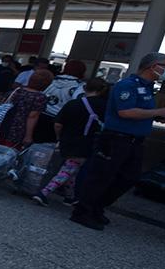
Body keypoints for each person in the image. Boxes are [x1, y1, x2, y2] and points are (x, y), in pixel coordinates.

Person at [71, 53, 165, 231]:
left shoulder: (147, 87)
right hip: (116, 139)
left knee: (128, 177)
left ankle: (97, 206)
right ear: (152, 66)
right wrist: (159, 111)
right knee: (101, 176)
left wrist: (160, 115)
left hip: (134, 141)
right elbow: (126, 112)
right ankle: (82, 211)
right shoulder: (127, 85)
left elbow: (141, 112)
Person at [32, 77, 108, 206]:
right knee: (69, 168)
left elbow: (58, 124)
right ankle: (44, 192)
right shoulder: (103, 106)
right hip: (85, 142)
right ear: (102, 91)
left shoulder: (72, 104)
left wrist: (59, 137)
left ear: (84, 88)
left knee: (72, 168)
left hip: (67, 139)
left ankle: (70, 196)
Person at [0, 68, 54, 149]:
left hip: (2, 125)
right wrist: (28, 136)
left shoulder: (17, 90)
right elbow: (32, 117)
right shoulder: (39, 97)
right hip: (18, 129)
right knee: (8, 153)